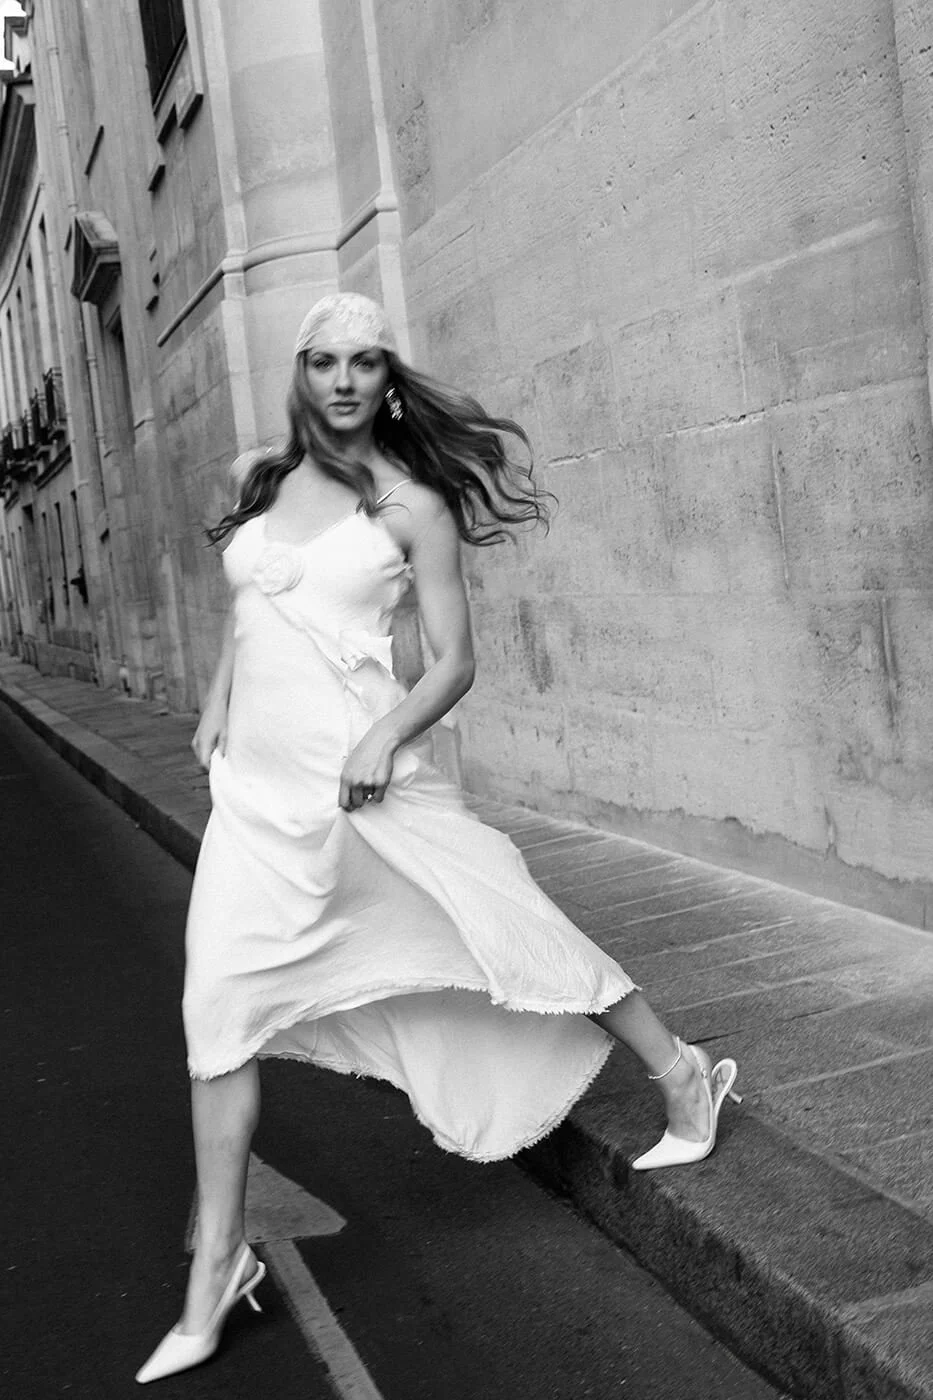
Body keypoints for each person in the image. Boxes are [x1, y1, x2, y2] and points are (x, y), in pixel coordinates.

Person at [135, 293, 738, 1385]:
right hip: (256, 806)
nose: (344, 381)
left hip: (367, 791)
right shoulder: (257, 483)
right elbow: (248, 605)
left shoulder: (413, 507)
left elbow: (454, 659)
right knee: (214, 1015)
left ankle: (685, 1071)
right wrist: (219, 699)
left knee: (512, 934)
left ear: (389, 379)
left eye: (366, 362)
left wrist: (385, 731)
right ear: (300, 374)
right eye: (324, 361)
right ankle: (213, 1270)